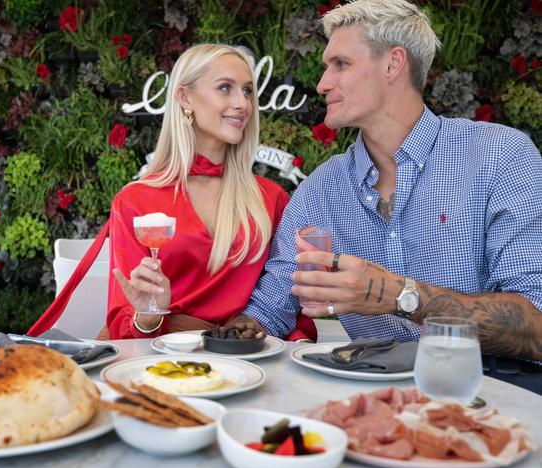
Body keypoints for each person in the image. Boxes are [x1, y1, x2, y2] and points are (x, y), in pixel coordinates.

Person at [226, 0, 542, 390]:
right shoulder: (320, 189)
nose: (324, 83)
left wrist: (396, 295)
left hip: (497, 389)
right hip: (374, 395)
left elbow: (536, 324)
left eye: (341, 64)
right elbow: (270, 311)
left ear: (393, 64)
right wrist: (207, 342)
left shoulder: (498, 155)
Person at [28, 44, 315, 341]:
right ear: (184, 97)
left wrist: (297, 349)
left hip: (249, 359)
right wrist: (150, 315)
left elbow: (287, 299)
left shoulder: (271, 197)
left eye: (247, 91)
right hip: (164, 363)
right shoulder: (135, 201)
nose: (242, 103)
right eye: (225, 88)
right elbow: (124, 321)